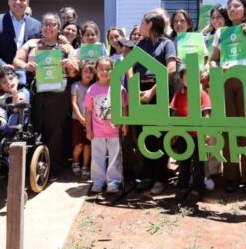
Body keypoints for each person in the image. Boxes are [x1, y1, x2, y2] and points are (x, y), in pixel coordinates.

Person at [210, 0, 246, 194]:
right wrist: (213, 69)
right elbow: (214, 59)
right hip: (225, 79)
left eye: (237, 6)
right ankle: (231, 176)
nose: (233, 9)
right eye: (230, 7)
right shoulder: (221, 32)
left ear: (245, 8)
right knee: (229, 130)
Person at [13, 12, 78, 176]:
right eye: (46, 24)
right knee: (34, 126)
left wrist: (69, 63)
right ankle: (31, 166)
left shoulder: (66, 47)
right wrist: (26, 65)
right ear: (42, 27)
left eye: (52, 24)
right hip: (37, 90)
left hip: (58, 91)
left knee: (55, 130)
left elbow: (75, 70)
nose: (48, 27)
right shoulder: (31, 43)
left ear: (58, 28)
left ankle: (51, 167)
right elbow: (16, 61)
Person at [134, 11, 178, 194]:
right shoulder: (140, 44)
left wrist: (152, 92)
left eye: (142, 23)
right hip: (140, 92)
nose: (139, 27)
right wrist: (134, 89)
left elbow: (171, 69)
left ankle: (161, 178)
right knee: (144, 135)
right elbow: (130, 66)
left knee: (160, 135)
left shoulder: (167, 44)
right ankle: (148, 176)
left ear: (150, 23)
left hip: (159, 92)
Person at [85, 56, 128, 194]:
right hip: (98, 131)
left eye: (108, 69)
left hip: (115, 130)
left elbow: (124, 107)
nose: (104, 72)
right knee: (97, 157)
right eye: (101, 69)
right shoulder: (92, 89)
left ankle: (113, 183)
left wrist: (125, 124)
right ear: (96, 70)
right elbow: (88, 110)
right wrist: (89, 129)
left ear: (113, 70)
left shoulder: (118, 88)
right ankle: (97, 182)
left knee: (115, 157)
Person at [171, 63, 212, 201]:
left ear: (200, 77)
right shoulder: (178, 94)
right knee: (183, 162)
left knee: (199, 164)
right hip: (183, 135)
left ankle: (197, 188)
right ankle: (182, 186)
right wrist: (174, 132)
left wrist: (206, 132)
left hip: (198, 135)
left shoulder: (203, 94)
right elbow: (174, 114)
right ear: (182, 78)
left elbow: (206, 114)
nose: (189, 78)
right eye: (186, 76)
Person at [0, 0, 42, 74]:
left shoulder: (37, 24)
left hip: (28, 74)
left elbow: (41, 46)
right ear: (8, 1)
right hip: (2, 74)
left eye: (22, 0)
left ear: (27, 3)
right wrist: (2, 65)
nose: (18, 2)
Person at [71, 60, 95, 179]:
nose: (88, 74)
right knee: (79, 145)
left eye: (91, 72)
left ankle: (85, 167)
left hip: (91, 121)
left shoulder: (94, 86)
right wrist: (80, 118)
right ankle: (75, 162)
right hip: (77, 120)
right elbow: (74, 103)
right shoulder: (75, 86)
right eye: (85, 71)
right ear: (80, 72)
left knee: (87, 145)